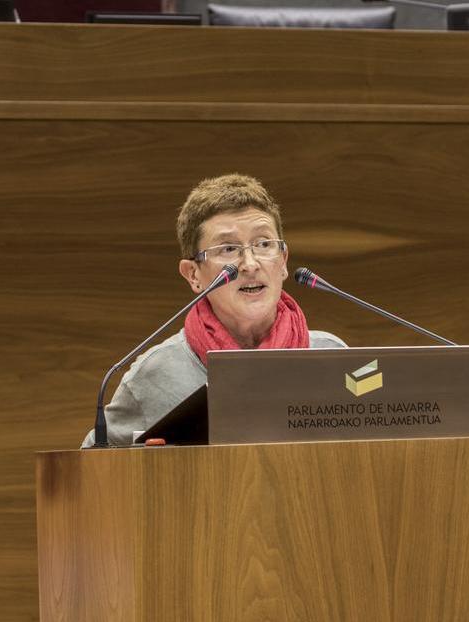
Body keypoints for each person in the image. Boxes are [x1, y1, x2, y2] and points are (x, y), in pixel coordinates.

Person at [83, 174, 346, 447]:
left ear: (283, 262)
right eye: (229, 248)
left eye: (264, 244)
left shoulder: (331, 358)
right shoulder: (157, 374)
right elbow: (88, 469)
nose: (250, 263)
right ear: (193, 274)